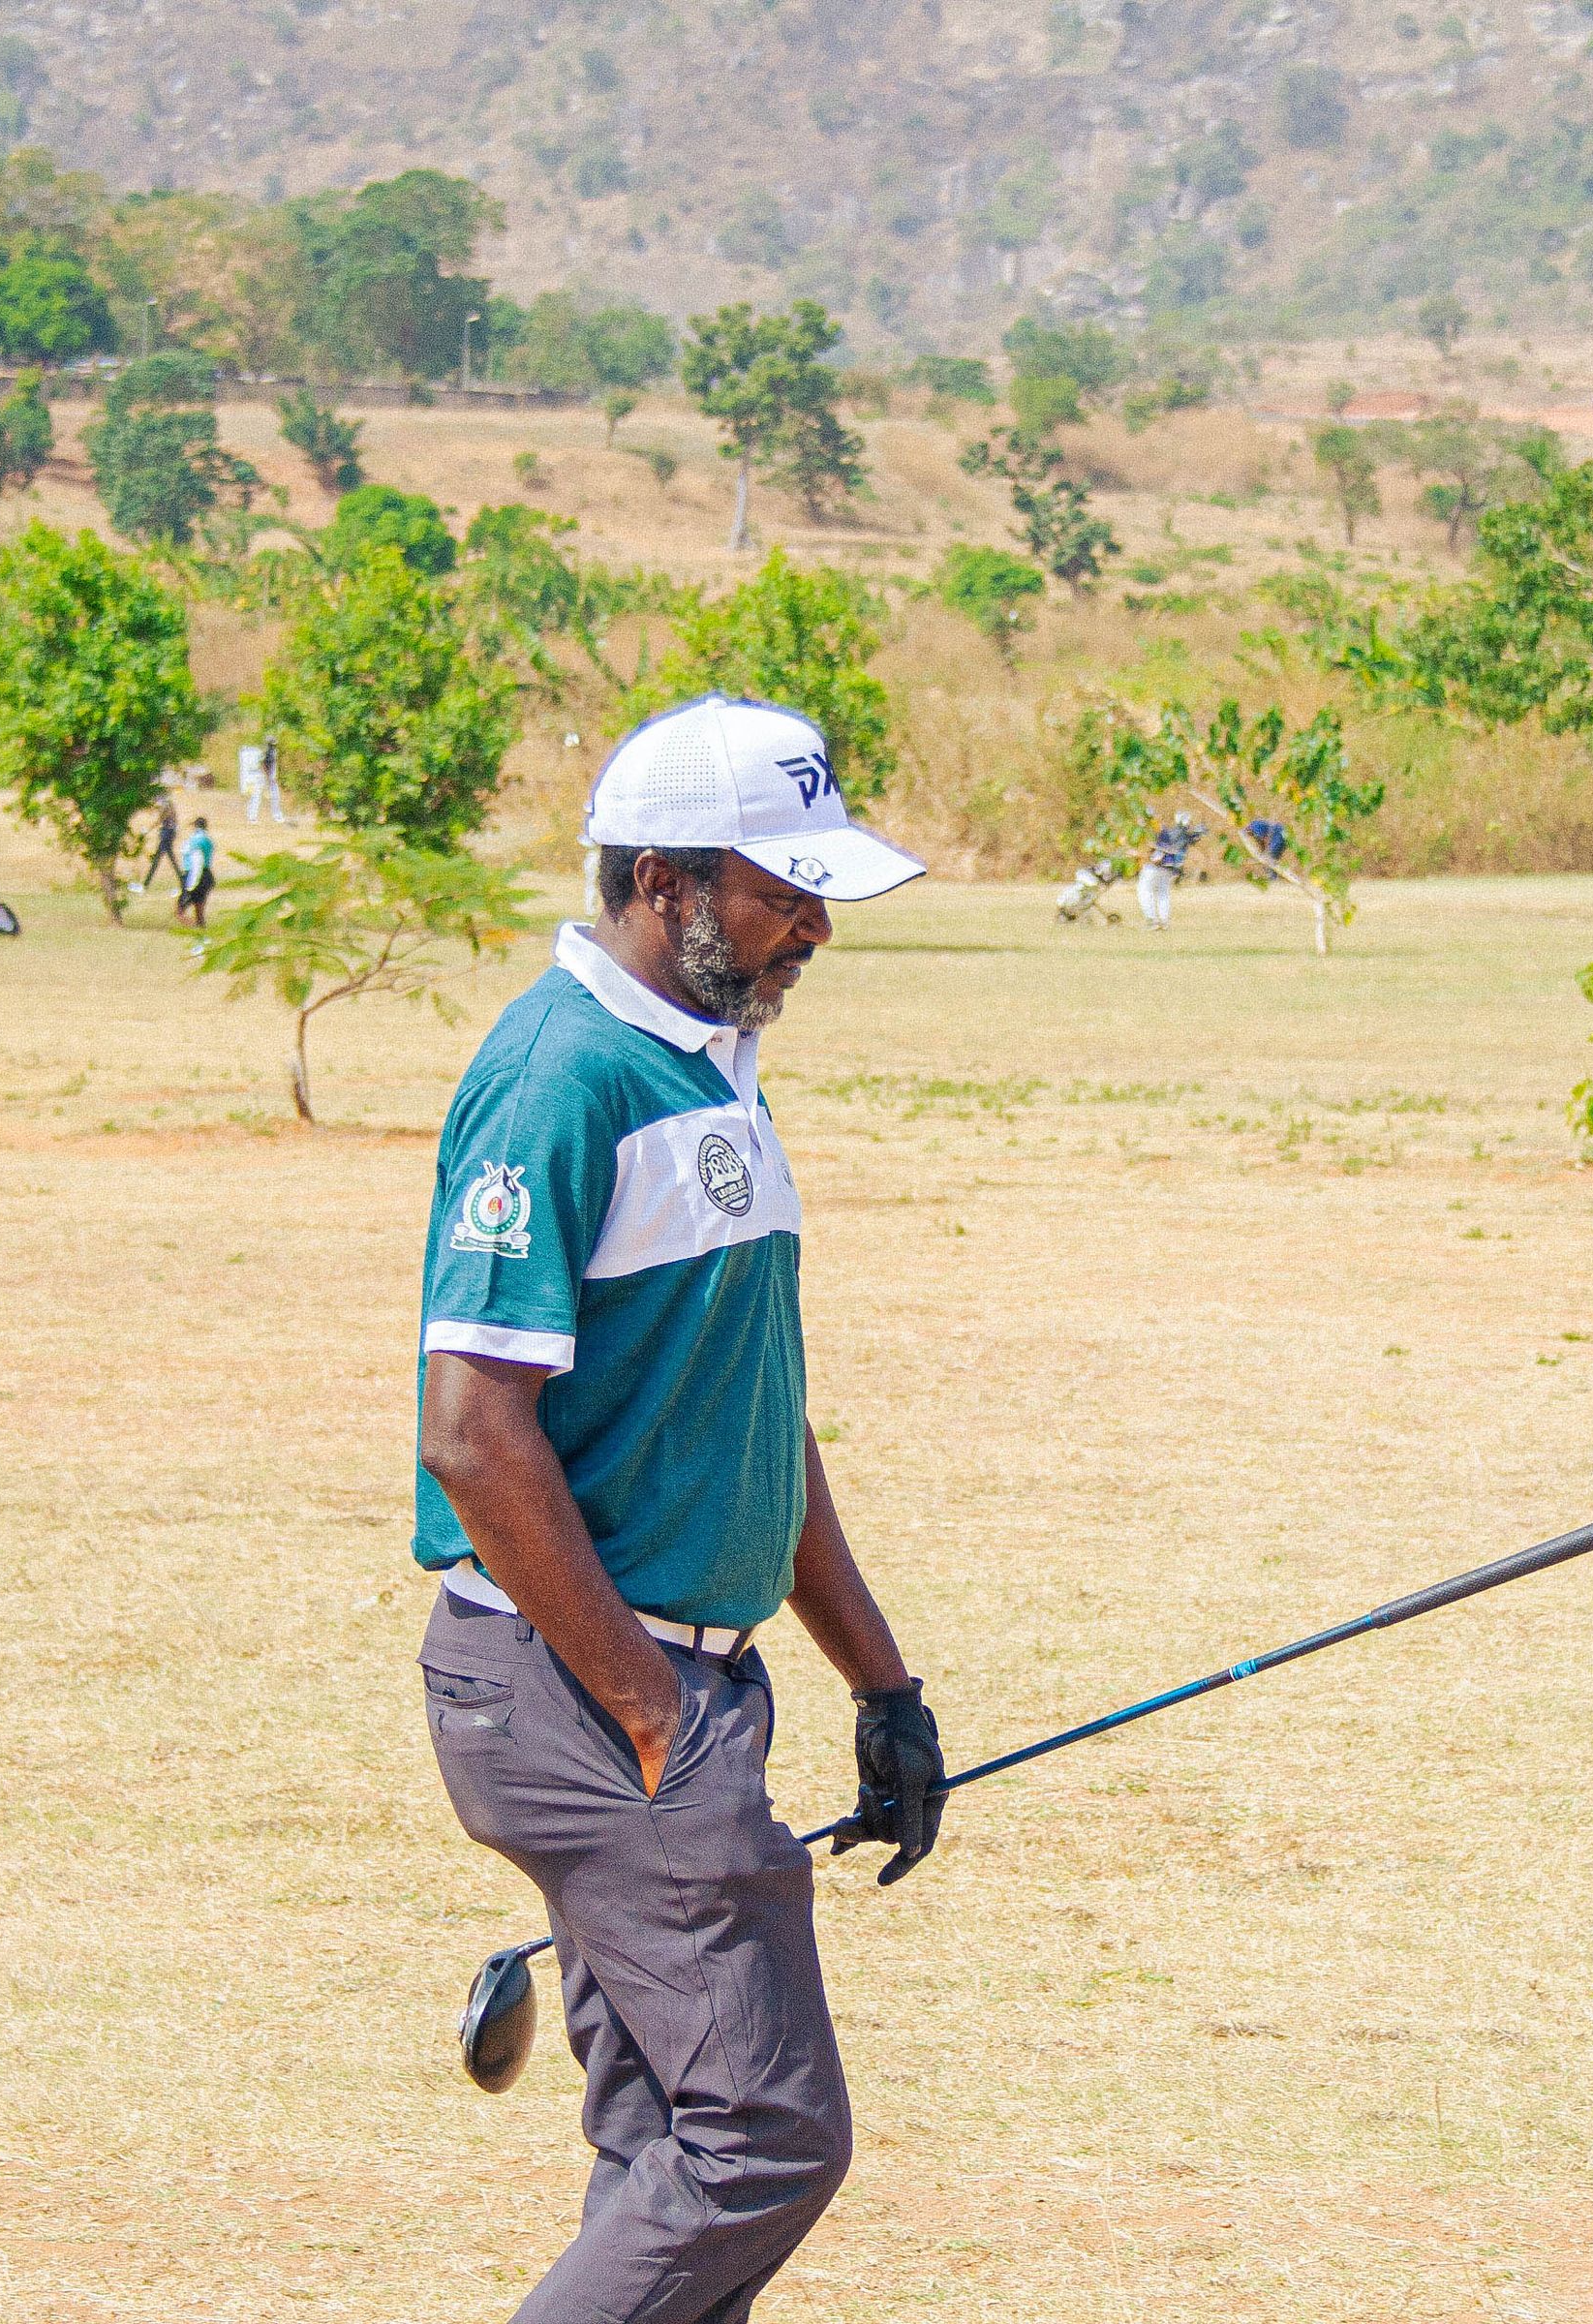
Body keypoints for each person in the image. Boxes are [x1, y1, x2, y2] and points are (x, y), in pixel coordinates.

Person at [414, 692, 942, 2324]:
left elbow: (755, 1427)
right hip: (582, 1691)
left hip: (680, 1687)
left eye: (817, 894)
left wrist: (883, 1685)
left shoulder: (716, 1071)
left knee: (666, 2145)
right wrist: (657, 1726)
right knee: (764, 2140)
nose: (812, 929)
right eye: (780, 892)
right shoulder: (561, 1079)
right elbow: (472, 1430)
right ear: (662, 880)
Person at [1137, 812, 1198, 932]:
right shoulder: (1184, 835)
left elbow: (1157, 847)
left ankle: (1152, 920)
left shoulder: (1167, 833)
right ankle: (1164, 922)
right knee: (1162, 894)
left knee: (1144, 891)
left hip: (1154, 867)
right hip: (1168, 868)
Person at [138, 790, 185, 891]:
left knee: (160, 860)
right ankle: (183, 883)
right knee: (167, 860)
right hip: (169, 833)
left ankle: (145, 885)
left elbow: (160, 820)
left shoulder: (166, 806)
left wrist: (147, 830)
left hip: (166, 834)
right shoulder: (169, 805)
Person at [174, 815, 215, 929]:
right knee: (199, 909)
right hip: (207, 875)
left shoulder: (194, 840)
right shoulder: (208, 841)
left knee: (180, 911)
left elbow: (197, 860)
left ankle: (194, 928)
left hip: (193, 874)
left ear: (195, 826)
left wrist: (191, 883)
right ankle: (200, 928)